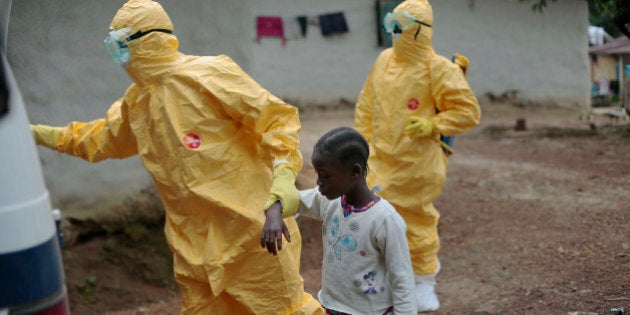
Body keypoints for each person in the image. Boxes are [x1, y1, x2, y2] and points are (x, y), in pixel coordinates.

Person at [29, 0, 323, 313]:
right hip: (192, 246)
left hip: (252, 232)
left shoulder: (208, 75)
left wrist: (282, 176)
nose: (117, 55)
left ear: (145, 41)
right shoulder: (137, 103)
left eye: (119, 44)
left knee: (280, 309)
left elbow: (274, 119)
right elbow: (100, 139)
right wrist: (36, 133)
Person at [353, 0, 481, 312]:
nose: (395, 32)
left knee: (417, 221)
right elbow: (366, 107)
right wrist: (361, 146)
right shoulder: (383, 61)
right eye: (391, 24)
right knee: (375, 220)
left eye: (403, 25)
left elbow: (468, 112)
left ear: (421, 30)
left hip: (418, 164)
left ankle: (424, 282)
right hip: (379, 161)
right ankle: (383, 280)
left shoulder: (438, 68)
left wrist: (433, 124)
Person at [263, 127, 417, 315]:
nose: (318, 182)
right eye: (318, 174)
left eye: (325, 175)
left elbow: (402, 280)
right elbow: (293, 200)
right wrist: (274, 213)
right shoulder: (331, 201)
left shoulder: (385, 220)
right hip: (331, 308)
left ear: (354, 172)